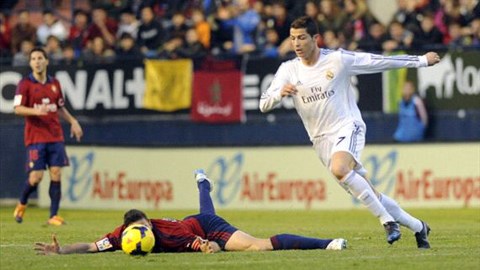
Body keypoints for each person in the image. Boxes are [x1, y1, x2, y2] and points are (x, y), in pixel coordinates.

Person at [259, 16, 440, 248]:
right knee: (372, 194)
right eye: (293, 39)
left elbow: (378, 61)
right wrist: (278, 94)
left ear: (315, 39)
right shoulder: (288, 70)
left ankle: (387, 222)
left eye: (302, 38)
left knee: (339, 168)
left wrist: (421, 61)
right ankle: (419, 227)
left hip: (348, 125)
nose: (296, 44)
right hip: (321, 141)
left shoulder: (337, 60)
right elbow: (264, 104)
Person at [34, 170, 347, 255]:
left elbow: (207, 246)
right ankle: (204, 184)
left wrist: (210, 246)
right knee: (202, 207)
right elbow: (90, 246)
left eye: (144, 227)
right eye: (137, 230)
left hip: (205, 228)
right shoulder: (122, 235)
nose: (142, 232)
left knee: (257, 244)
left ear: (148, 224)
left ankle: (327, 243)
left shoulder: (169, 233)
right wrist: (62, 252)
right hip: (192, 222)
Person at [13, 47, 83, 226]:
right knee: (36, 177)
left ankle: (53, 215)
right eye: (34, 59)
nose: (37, 61)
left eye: (40, 58)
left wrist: (73, 121)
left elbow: (59, 107)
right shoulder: (25, 84)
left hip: (55, 135)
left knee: (56, 172)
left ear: (46, 61)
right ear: (30, 63)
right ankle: (22, 203)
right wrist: (36, 111)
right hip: (35, 137)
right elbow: (17, 108)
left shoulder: (55, 83)